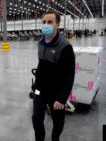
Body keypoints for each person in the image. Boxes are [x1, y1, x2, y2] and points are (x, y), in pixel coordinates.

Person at [32, 11, 75, 141]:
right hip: (40, 89)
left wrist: (62, 99)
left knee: (58, 121)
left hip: (56, 93)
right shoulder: (40, 44)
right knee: (36, 118)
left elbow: (69, 75)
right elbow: (42, 66)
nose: (46, 24)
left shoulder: (65, 46)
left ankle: (55, 138)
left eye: (50, 22)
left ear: (57, 24)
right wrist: (35, 86)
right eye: (44, 22)